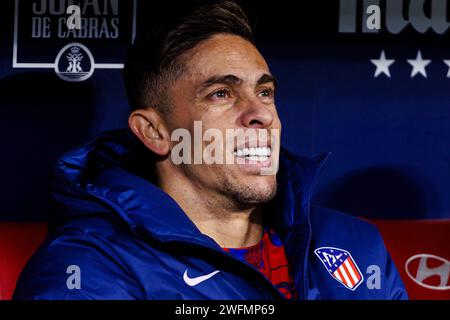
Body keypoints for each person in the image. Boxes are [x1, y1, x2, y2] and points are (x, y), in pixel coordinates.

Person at [13, 0, 408, 300]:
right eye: (222, 93)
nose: (261, 114)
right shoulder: (88, 266)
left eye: (265, 92)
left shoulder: (354, 243)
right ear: (154, 132)